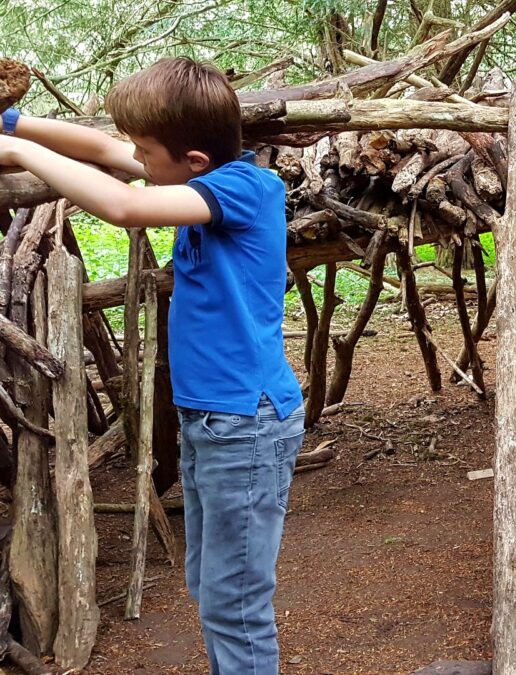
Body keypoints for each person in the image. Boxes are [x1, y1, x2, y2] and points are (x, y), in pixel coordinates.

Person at [0, 57, 304, 672]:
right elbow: (99, 146)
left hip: (246, 424)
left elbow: (123, 206)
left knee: (235, 602)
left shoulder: (246, 189)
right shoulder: (200, 172)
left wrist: (22, 154)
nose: (135, 159)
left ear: (193, 160)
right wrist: (15, 122)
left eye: (146, 150)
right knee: (212, 585)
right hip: (214, 422)